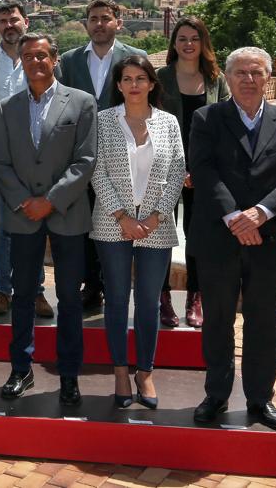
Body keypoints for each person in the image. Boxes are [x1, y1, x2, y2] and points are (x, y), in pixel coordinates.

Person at [190, 47, 276, 432]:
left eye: (256, 72)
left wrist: (260, 213)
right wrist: (235, 218)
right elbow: (203, 170)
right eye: (240, 72)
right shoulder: (207, 118)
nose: (248, 79)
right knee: (218, 322)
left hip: (269, 240)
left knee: (264, 324)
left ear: (268, 78)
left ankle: (261, 400)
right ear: (227, 77)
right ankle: (216, 395)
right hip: (219, 239)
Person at [0, 33, 96, 406]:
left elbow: (85, 161)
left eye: (42, 55)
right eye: (28, 56)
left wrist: (49, 201)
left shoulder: (82, 103)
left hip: (67, 214)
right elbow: (0, 162)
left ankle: (69, 374)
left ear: (54, 59)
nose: (36, 62)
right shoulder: (7, 107)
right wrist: (24, 201)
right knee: (22, 296)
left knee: (69, 298)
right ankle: (21, 368)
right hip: (24, 218)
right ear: (22, 60)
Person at [90, 56, 185, 409]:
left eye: (140, 78)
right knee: (116, 300)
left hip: (156, 227)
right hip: (112, 222)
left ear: (151, 84)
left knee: (148, 302)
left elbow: (177, 171)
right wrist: (122, 217)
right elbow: (96, 171)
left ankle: (144, 371)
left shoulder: (169, 123)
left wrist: (157, 217)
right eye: (127, 78)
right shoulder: (102, 122)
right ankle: (119, 370)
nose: (133, 85)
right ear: (118, 85)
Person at [57, 0, 147, 312]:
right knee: (86, 224)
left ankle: (116, 287)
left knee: (117, 220)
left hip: (122, 154)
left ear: (118, 23)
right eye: (93, 18)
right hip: (80, 154)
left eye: (105, 18)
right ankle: (91, 286)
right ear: (86, 24)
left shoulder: (136, 58)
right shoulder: (69, 61)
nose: (98, 24)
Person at [0, 4, 53, 319]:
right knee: (2, 227)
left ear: (26, 22)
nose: (9, 25)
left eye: (14, 19)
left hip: (37, 157)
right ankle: (3, 290)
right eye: (3, 21)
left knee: (35, 224)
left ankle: (35, 292)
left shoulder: (40, 58)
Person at [156, 16, 230, 328]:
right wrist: (177, 168)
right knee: (161, 234)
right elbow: (152, 122)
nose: (188, 44)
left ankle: (195, 296)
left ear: (203, 43)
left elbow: (226, 125)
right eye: (182, 38)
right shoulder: (161, 77)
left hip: (204, 170)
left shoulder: (216, 79)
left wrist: (200, 169)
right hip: (164, 167)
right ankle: (162, 296)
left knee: (198, 236)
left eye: (194, 38)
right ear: (174, 44)